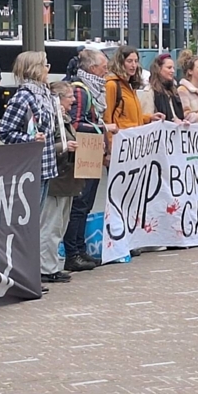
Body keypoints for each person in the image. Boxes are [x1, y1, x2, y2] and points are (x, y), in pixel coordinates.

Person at [64, 48, 116, 272]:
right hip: (84, 152)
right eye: (104, 65)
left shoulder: (92, 89)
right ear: (93, 67)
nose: (106, 69)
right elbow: (75, 124)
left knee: (85, 204)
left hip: (91, 150)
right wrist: (102, 127)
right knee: (80, 203)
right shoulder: (81, 91)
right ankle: (73, 253)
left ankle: (80, 249)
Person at [0, 51, 58, 209]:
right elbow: (5, 132)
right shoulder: (24, 97)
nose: (48, 69)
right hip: (31, 168)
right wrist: (31, 140)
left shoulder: (45, 94)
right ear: (35, 69)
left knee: (36, 219)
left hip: (44, 166)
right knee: (29, 219)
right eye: (46, 65)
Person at [41, 81, 81, 284]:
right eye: (69, 96)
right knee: (51, 225)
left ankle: (52, 264)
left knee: (59, 225)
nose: (73, 100)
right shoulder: (53, 120)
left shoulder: (63, 119)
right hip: (57, 179)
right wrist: (65, 147)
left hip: (66, 180)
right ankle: (46, 268)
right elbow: (45, 146)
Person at [104, 46, 165, 130]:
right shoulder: (112, 85)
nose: (133, 65)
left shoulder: (130, 86)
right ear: (120, 63)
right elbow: (107, 118)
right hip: (120, 139)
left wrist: (149, 118)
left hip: (132, 139)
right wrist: (110, 141)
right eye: (129, 61)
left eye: (136, 61)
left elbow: (132, 119)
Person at [149, 54, 185, 123]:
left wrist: (183, 122)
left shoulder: (173, 91)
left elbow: (177, 116)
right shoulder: (150, 91)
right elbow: (147, 120)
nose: (173, 71)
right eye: (169, 68)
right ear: (158, 69)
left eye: (173, 68)